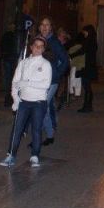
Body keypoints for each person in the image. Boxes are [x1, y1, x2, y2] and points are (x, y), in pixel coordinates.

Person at [0, 37, 52, 168]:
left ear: (44, 49)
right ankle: (10, 155)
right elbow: (15, 82)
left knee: (36, 129)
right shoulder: (23, 63)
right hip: (23, 102)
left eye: (41, 46)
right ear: (31, 47)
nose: (38, 48)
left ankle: (35, 155)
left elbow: (45, 84)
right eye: (36, 45)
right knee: (17, 129)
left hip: (38, 102)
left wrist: (28, 83)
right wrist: (15, 99)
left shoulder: (46, 64)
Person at [37, 17, 69, 146]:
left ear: (51, 27)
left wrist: (56, 73)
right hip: (37, 82)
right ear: (39, 27)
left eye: (47, 25)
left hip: (51, 82)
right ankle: (48, 135)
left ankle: (42, 137)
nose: (45, 27)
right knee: (44, 108)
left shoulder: (54, 42)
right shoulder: (37, 41)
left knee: (41, 107)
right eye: (42, 24)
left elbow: (65, 60)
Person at [72, 25, 98, 112]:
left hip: (87, 66)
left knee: (86, 86)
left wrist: (71, 55)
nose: (84, 33)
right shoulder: (93, 40)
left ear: (88, 31)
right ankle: (88, 105)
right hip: (90, 65)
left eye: (85, 32)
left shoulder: (89, 41)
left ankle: (87, 106)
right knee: (88, 86)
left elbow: (82, 51)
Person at [1, 22, 16, 107]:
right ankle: (10, 98)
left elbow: (2, 46)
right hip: (12, 59)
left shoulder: (5, 36)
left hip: (7, 58)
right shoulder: (15, 36)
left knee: (8, 78)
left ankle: (7, 99)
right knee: (13, 79)